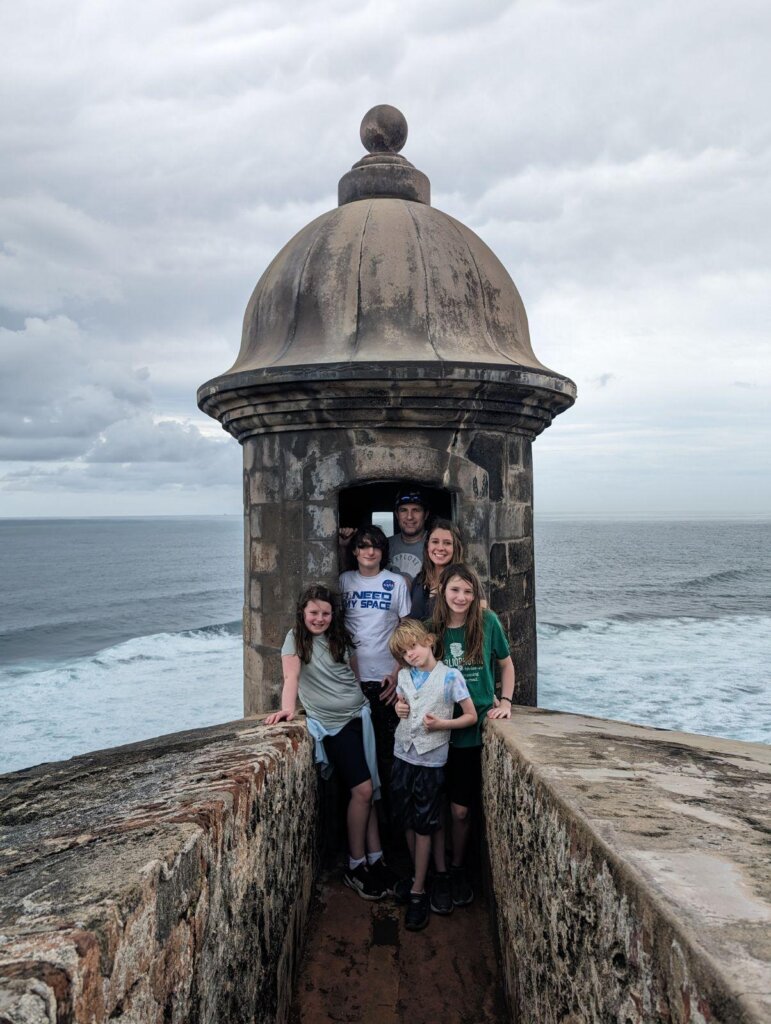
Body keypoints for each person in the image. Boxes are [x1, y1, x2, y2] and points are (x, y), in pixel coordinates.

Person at [265, 584, 397, 900]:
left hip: (359, 716)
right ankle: (355, 866)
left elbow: (350, 674)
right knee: (362, 790)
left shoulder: (338, 638)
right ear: (302, 613)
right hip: (333, 725)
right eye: (314, 612)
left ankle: (375, 859)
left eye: (325, 613)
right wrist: (287, 708)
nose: (320, 618)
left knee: (371, 791)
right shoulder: (295, 640)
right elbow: (291, 679)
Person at [428, 563, 515, 907]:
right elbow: (408, 666)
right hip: (434, 731)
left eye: (468, 591)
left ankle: (458, 866)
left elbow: (506, 663)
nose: (461, 597)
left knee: (461, 811)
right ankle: (439, 874)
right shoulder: (431, 628)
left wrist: (505, 700)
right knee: (435, 807)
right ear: (443, 592)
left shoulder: (487, 622)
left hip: (471, 730)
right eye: (455, 590)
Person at [388, 620, 477, 930]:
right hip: (403, 753)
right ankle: (419, 874)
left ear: (428, 641)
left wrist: (442, 725)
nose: (410, 654)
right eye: (403, 652)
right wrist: (399, 708)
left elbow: (470, 716)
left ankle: (417, 891)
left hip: (431, 758)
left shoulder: (450, 676)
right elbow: (403, 704)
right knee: (408, 818)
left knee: (425, 822)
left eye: (413, 646)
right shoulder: (402, 676)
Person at [339, 525, 411, 828]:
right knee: (358, 759)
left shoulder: (395, 583)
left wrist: (398, 673)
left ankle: (392, 828)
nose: (370, 552)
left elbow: (407, 631)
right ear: (355, 551)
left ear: (383, 552)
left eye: (376, 547)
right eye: (364, 546)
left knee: (388, 756)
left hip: (386, 684)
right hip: (352, 683)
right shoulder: (344, 580)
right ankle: (369, 829)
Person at [410, 518, 465, 619]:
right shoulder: (418, 581)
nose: (440, 548)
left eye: (447, 543)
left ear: (456, 547)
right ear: (428, 546)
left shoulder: (467, 581)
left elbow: (482, 621)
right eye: (435, 542)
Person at [387, 487, 430, 582]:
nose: (409, 517)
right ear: (397, 514)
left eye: (416, 510)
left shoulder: (436, 545)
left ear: (426, 515)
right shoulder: (384, 545)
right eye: (403, 510)